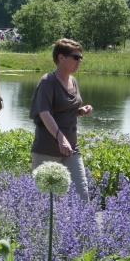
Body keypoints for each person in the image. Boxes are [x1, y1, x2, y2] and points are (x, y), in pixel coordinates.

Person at [29, 39, 93, 200]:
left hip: (71, 148)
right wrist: (60, 138)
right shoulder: (47, 82)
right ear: (61, 58)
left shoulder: (73, 81)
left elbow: (64, 110)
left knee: (82, 194)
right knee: (47, 199)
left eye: (81, 58)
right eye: (75, 57)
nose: (79, 61)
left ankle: (80, 225)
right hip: (47, 149)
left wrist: (80, 111)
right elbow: (45, 113)